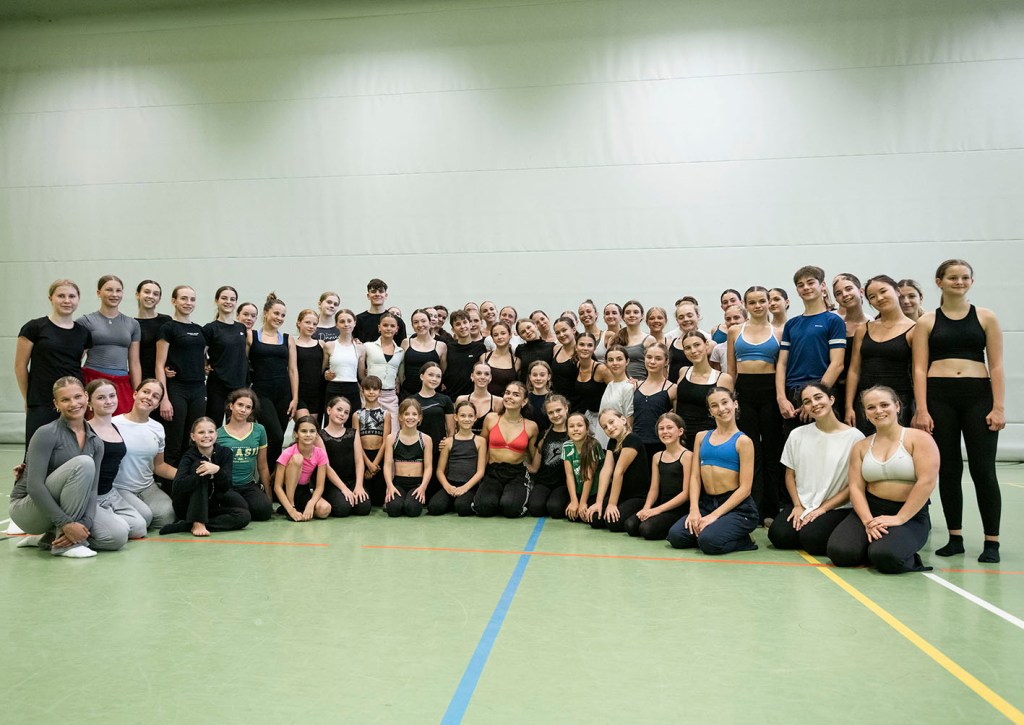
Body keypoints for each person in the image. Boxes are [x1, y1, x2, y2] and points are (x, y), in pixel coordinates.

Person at [912, 259, 1005, 563]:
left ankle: (992, 541)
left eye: (965, 277)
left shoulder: (986, 317)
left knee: (983, 470)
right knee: (949, 469)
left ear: (971, 282)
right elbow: (919, 368)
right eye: (953, 277)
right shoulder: (927, 321)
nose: (959, 282)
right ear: (939, 282)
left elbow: (997, 366)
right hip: (940, 398)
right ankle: (955, 537)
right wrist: (922, 409)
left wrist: (998, 407)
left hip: (978, 397)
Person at [10, 377, 128, 558]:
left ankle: (49, 538)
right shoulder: (45, 433)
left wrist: (86, 523)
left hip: (65, 507)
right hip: (28, 509)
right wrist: (66, 524)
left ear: (86, 397)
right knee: (84, 463)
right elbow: (34, 487)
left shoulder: (96, 442)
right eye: (65, 399)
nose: (73, 403)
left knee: (117, 536)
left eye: (77, 397)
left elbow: (92, 490)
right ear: (56, 404)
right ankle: (66, 545)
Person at [828, 386, 939, 573]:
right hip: (871, 510)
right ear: (865, 413)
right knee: (840, 553)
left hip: (909, 514)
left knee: (885, 556)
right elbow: (855, 487)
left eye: (884, 405)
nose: (878, 411)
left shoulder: (920, 439)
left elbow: (926, 482)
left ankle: (892, 551)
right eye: (871, 407)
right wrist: (867, 521)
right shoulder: (861, 446)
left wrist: (899, 518)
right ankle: (871, 547)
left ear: (897, 406)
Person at [768, 382, 864, 554]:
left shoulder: (855, 437)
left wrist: (822, 509)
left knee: (812, 539)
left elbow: (854, 485)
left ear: (831, 399)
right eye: (807, 401)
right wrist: (797, 505)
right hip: (804, 504)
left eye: (818, 397)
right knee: (779, 536)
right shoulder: (797, 434)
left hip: (836, 507)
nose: (814, 404)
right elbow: (790, 475)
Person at [667, 387, 759, 554]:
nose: (721, 409)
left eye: (725, 402)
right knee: (676, 536)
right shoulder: (701, 437)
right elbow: (695, 477)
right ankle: (716, 531)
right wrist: (694, 509)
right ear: (710, 411)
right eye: (714, 405)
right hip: (707, 504)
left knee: (708, 542)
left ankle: (744, 540)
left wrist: (714, 516)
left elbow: (745, 489)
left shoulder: (743, 441)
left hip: (737, 509)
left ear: (735, 404)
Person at [728, 286, 784, 524]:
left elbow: (781, 368)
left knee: (771, 449)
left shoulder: (779, 331)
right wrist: (731, 398)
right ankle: (754, 507)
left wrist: (780, 396)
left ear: (769, 302)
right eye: (752, 302)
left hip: (770, 391)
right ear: (745, 305)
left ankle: (772, 508)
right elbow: (731, 370)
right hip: (744, 393)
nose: (758, 306)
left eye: (762, 301)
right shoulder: (735, 331)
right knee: (751, 450)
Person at [16, 279, 92, 449]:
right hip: (41, 400)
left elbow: (76, 363)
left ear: (78, 299)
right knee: (37, 451)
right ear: (51, 298)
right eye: (61, 296)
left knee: (72, 449)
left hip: (73, 401)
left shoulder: (83, 333)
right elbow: (20, 366)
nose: (67, 300)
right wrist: (28, 398)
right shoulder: (34, 327)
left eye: (71, 296)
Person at [775, 266, 846, 440]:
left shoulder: (834, 321)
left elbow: (837, 364)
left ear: (822, 286)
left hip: (823, 392)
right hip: (793, 395)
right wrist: (781, 398)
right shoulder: (792, 324)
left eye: (810, 282)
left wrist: (814, 399)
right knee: (796, 449)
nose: (806, 287)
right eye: (800, 285)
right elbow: (782, 364)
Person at [844, 275, 915, 434]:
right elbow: (854, 370)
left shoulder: (915, 329)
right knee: (866, 443)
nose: (879, 298)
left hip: (899, 401)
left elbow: (919, 371)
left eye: (883, 291)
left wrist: (921, 409)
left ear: (897, 291)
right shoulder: (863, 329)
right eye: (872, 296)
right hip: (865, 401)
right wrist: (849, 406)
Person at [161, 417, 250, 536]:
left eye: (211, 432)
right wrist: (201, 475)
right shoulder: (188, 456)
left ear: (216, 435)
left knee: (244, 515)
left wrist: (217, 470)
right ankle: (197, 522)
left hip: (212, 503)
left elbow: (226, 486)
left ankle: (188, 525)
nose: (206, 436)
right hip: (188, 506)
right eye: (201, 432)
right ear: (193, 436)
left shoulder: (225, 452)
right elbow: (178, 486)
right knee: (200, 465)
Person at [86, 379, 147, 539]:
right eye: (101, 398)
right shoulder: (86, 431)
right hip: (91, 496)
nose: (108, 401)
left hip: (110, 493)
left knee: (140, 528)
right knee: (120, 532)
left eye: (112, 396)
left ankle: (110, 520)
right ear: (89, 402)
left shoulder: (115, 427)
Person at [112, 379, 177, 528]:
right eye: (146, 392)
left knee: (167, 516)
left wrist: (187, 474)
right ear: (135, 394)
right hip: (119, 487)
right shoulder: (113, 423)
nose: (149, 397)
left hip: (147, 487)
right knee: (144, 517)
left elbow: (159, 465)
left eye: (155, 396)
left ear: (157, 404)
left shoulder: (158, 428)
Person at [155, 285, 207, 468]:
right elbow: (159, 365)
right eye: (184, 298)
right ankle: (169, 480)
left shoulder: (200, 330)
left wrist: (207, 366)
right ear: (174, 301)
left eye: (192, 299)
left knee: (194, 438)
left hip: (199, 389)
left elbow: (201, 357)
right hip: (177, 389)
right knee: (175, 439)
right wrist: (164, 398)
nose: (188, 303)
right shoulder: (168, 328)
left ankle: (189, 476)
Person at [247, 293, 298, 475]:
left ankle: (271, 479)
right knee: (275, 435)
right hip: (262, 394)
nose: (279, 318)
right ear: (265, 313)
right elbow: (241, 364)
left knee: (277, 439)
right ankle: (265, 477)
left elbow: (293, 370)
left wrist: (295, 398)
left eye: (283, 315)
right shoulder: (251, 336)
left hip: (284, 394)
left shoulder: (288, 338)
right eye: (276, 313)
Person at [473, 381, 540, 518]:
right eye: (507, 393)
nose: (509, 397)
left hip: (516, 473)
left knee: (510, 509)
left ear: (524, 401)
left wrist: (534, 468)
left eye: (516, 394)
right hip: (493, 471)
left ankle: (513, 498)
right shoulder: (491, 418)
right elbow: (482, 446)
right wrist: (480, 472)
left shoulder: (531, 426)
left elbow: (535, 453)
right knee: (484, 508)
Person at [78, 275, 141, 416]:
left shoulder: (132, 324)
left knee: (122, 424)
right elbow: (77, 358)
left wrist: (138, 392)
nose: (114, 294)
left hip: (122, 382)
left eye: (118, 290)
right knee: (92, 423)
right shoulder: (85, 321)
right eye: (109, 290)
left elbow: (135, 363)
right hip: (92, 380)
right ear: (98, 293)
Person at [624, 412, 691, 540]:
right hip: (661, 504)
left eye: (669, 427)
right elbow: (654, 489)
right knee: (630, 525)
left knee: (646, 529)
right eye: (661, 428)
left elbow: (686, 493)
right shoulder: (657, 456)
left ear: (680, 431)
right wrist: (646, 508)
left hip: (679, 508)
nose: (665, 431)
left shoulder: (687, 456)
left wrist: (657, 510)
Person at [217, 388, 273, 521]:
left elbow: (262, 466)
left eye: (248, 407)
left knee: (264, 511)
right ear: (231, 406)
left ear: (251, 411)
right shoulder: (218, 434)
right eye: (240, 405)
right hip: (228, 486)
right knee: (242, 508)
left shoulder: (259, 430)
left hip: (248, 485)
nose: (243, 410)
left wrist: (269, 496)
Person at [587, 408, 648, 532]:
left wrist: (612, 504)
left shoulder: (632, 439)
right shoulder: (612, 441)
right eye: (605, 427)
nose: (609, 428)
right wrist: (599, 502)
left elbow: (618, 472)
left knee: (613, 522)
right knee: (595, 518)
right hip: (622, 494)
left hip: (637, 496)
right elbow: (606, 470)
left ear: (623, 420)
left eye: (611, 422)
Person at [428, 400, 487, 516]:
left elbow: (480, 471)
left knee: (462, 508)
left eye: (470, 416)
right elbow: (440, 471)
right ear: (456, 417)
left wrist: (465, 488)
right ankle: (452, 500)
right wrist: (447, 487)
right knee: (434, 508)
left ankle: (460, 501)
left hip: (470, 486)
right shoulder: (448, 442)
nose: (466, 419)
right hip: (450, 484)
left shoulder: (480, 441)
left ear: (475, 418)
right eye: (463, 415)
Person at [675, 331, 732, 451]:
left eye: (697, 345)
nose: (693, 351)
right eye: (688, 348)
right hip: (681, 439)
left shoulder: (723, 379)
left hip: (708, 440)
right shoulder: (683, 372)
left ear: (706, 345)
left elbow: (729, 415)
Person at [319, 396, 372, 517]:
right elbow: (326, 466)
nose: (342, 414)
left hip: (352, 481)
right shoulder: (320, 435)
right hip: (333, 483)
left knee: (364, 508)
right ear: (329, 410)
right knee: (343, 509)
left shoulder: (353, 433)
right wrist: (343, 489)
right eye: (339, 409)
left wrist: (359, 485)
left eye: (346, 412)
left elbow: (359, 461)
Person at [202, 285, 247, 424]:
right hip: (217, 385)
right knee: (213, 423)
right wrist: (205, 364)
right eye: (224, 298)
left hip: (238, 386)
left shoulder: (241, 327)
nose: (228, 302)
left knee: (234, 425)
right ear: (217, 300)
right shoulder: (210, 328)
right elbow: (199, 353)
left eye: (232, 299)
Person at [274, 415, 331, 522]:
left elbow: (320, 486)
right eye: (304, 431)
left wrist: (311, 504)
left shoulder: (320, 453)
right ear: (296, 434)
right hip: (286, 492)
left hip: (303, 491)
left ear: (316, 434)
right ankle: (290, 506)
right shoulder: (288, 452)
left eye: (312, 431)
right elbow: (277, 487)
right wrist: (290, 509)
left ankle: (300, 510)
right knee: (297, 459)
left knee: (325, 509)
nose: (308, 434)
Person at [383, 399, 432, 517]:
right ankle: (399, 503)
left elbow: (428, 467)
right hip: (398, 483)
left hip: (417, 484)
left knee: (412, 510)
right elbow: (387, 465)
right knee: (393, 510)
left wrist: (423, 487)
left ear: (419, 417)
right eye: (407, 414)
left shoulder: (426, 439)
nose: (410, 417)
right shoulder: (391, 438)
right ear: (400, 417)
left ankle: (408, 503)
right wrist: (390, 486)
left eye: (414, 414)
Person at [410, 361, 455, 487]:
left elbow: (451, 429)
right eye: (431, 375)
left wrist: (447, 443)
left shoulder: (445, 400)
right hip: (417, 450)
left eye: (438, 376)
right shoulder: (411, 400)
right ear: (421, 376)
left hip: (438, 450)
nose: (434, 379)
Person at [631, 344, 677, 465]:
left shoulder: (672, 389)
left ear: (666, 361)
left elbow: (676, 421)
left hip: (660, 444)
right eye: (649, 357)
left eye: (658, 358)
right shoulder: (636, 386)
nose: (652, 362)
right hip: (636, 443)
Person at [526, 395, 571, 517]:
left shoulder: (573, 434)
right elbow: (535, 467)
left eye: (558, 410)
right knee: (535, 508)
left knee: (555, 509)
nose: (555, 415)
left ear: (566, 408)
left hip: (563, 484)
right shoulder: (544, 435)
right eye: (551, 412)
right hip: (544, 482)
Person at [361, 312, 405, 432]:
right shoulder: (367, 346)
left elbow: (400, 375)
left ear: (397, 329)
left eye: (392, 326)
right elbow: (360, 367)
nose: (388, 328)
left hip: (390, 396)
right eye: (385, 325)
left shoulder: (401, 351)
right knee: (370, 432)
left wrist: (398, 380)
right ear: (379, 327)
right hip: (370, 395)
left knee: (394, 431)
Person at [832, 273, 868, 418]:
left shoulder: (873, 324)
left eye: (848, 289)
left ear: (861, 291)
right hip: (838, 390)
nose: (845, 295)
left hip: (866, 389)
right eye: (839, 293)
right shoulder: (835, 326)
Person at [561, 412, 605, 521]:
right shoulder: (566, 446)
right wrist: (574, 501)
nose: (576, 429)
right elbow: (569, 475)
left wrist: (583, 503)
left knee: (592, 518)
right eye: (571, 426)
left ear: (587, 429)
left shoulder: (593, 445)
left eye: (580, 425)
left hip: (593, 492)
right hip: (578, 491)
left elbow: (588, 477)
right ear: (567, 430)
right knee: (567, 513)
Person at [355, 376, 391, 507]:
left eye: (375, 389)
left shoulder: (385, 414)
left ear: (380, 392)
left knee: (378, 500)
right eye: (368, 389)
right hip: (363, 457)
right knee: (365, 500)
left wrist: (374, 464)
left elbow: (386, 440)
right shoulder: (357, 414)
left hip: (379, 458)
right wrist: (368, 464)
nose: (371, 392)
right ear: (362, 392)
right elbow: (357, 441)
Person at [323, 308, 364, 414]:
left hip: (352, 389)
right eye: (342, 321)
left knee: (352, 421)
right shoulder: (329, 346)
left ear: (354, 323)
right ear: (336, 324)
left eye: (349, 321)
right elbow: (323, 369)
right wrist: (326, 373)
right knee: (332, 420)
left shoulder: (360, 347)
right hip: (333, 388)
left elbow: (361, 376)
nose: (346, 324)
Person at [573, 332, 612, 442]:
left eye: (589, 345)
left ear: (594, 348)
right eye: (582, 344)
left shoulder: (601, 369)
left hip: (604, 417)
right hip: (588, 416)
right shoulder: (577, 365)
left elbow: (616, 390)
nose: (585, 348)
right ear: (576, 347)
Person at [401, 309, 448, 399]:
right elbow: (401, 369)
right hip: (408, 393)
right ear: (412, 326)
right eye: (416, 322)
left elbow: (442, 371)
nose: (420, 325)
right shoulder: (406, 343)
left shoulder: (441, 346)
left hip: (432, 395)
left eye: (423, 321)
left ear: (430, 323)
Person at [443, 310, 487, 400]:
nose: (462, 326)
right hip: (450, 397)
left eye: (465, 322)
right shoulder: (448, 347)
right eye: (458, 324)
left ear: (470, 324)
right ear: (453, 330)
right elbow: (443, 370)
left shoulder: (480, 347)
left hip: (471, 398)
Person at [293, 309, 326, 422]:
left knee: (313, 429)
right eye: (307, 322)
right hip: (299, 393)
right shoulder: (292, 344)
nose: (311, 326)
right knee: (305, 424)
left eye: (314, 324)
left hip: (316, 394)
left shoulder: (321, 344)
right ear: (299, 323)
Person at [134, 279, 171, 381]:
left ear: (159, 299)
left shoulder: (166, 321)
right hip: (142, 377)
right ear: (137, 295)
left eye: (155, 294)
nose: (150, 296)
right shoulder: (133, 324)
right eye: (147, 292)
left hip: (165, 376)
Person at [355, 278, 408, 345]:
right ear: (368, 296)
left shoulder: (397, 321)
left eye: (381, 291)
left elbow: (402, 346)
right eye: (373, 291)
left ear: (386, 296)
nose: (377, 294)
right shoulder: (358, 320)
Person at [456, 362, 504, 434]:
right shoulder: (461, 400)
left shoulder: (498, 401)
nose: (482, 377)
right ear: (472, 376)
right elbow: (457, 429)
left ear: (490, 378)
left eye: (486, 374)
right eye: (478, 373)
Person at [613, 300, 655, 381]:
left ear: (642, 316)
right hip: (619, 384)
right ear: (622, 317)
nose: (632, 315)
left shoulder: (649, 340)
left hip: (641, 384)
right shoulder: (614, 339)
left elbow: (654, 367)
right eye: (628, 312)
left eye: (635, 312)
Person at [480, 321, 519, 396]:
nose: (499, 337)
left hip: (507, 401)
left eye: (503, 333)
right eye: (495, 335)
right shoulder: (484, 357)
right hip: (486, 400)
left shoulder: (517, 361)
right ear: (492, 338)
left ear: (510, 335)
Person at [667, 299, 702, 380]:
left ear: (698, 316)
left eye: (689, 315)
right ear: (677, 321)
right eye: (681, 317)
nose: (686, 319)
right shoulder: (670, 344)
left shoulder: (709, 344)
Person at [709, 305, 746, 374]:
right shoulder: (718, 349)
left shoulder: (754, 345)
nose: (732, 322)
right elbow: (717, 375)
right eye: (728, 319)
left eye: (736, 318)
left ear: (746, 320)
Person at [515, 318, 555, 382]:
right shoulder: (520, 349)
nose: (527, 332)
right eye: (523, 332)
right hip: (527, 386)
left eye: (529, 327)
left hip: (548, 386)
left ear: (535, 326)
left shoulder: (551, 346)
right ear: (521, 336)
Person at [549, 317, 578, 402]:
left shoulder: (582, 351)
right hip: (558, 401)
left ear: (573, 330)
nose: (561, 335)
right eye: (557, 333)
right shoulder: (556, 349)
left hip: (576, 402)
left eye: (564, 330)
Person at [524, 360, 553, 436]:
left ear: (548, 377)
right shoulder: (524, 398)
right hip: (527, 436)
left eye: (542, 375)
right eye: (534, 375)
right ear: (530, 377)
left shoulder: (554, 399)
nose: (538, 378)